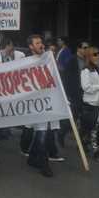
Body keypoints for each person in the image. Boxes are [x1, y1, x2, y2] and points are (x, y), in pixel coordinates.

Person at [25, 34, 61, 178]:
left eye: (41, 42)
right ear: (31, 47)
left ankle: (32, 158)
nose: (41, 45)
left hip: (49, 101)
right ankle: (44, 165)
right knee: (42, 134)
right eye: (37, 43)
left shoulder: (48, 59)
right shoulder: (27, 63)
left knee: (46, 132)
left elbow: (56, 77)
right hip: (37, 104)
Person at [80, 46, 99, 162]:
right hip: (90, 104)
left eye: (98, 54)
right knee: (91, 129)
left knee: (92, 129)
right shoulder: (86, 70)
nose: (98, 56)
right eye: (95, 54)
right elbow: (86, 87)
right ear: (89, 57)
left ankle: (85, 145)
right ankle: (95, 151)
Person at [61, 40, 90, 144]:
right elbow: (66, 79)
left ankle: (81, 144)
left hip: (87, 94)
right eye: (85, 48)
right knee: (72, 118)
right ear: (79, 49)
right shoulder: (72, 61)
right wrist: (68, 94)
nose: (87, 50)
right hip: (75, 95)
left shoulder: (88, 61)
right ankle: (61, 133)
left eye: (88, 48)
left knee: (86, 120)